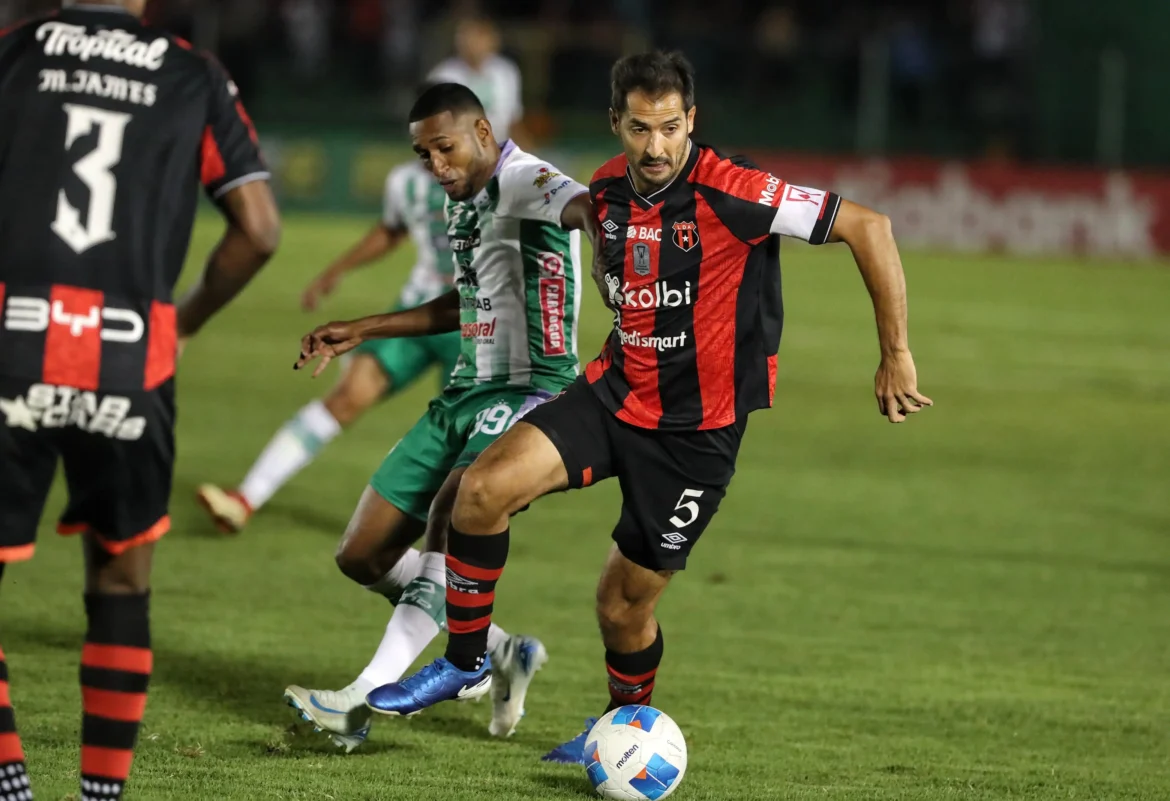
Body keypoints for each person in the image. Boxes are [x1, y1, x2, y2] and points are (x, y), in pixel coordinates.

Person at [357, 50, 934, 763]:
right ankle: (468, 658)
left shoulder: (735, 189)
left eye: (669, 127)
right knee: (478, 492)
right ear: (616, 123)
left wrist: (896, 353)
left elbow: (868, 227)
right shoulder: (605, 189)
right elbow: (585, 232)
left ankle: (623, 729)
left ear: (691, 120)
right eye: (638, 128)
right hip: (611, 393)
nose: (654, 145)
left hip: (695, 435)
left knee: (622, 605)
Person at [0, 2, 280, 799]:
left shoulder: (14, 55)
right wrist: (181, 322)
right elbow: (258, 230)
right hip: (130, 354)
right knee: (122, 581)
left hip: (12, 339)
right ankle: (102, 794)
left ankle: (10, 782)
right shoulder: (192, 72)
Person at [286, 82, 602, 750]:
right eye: (423, 153)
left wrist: (608, 247)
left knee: (452, 516)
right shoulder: (461, 201)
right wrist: (366, 327)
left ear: (484, 132)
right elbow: (465, 299)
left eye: (445, 147)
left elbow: (585, 205)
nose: (435, 165)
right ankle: (496, 647)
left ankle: (361, 699)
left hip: (530, 389)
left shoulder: (524, 179)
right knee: (362, 552)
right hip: (465, 389)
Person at [195, 158, 459, 533]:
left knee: (464, 436)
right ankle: (246, 498)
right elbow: (391, 230)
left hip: (478, 324)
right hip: (416, 314)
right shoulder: (405, 181)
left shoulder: (495, 176)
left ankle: (450, 547)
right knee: (346, 396)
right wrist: (338, 269)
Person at [427, 15, 530, 149]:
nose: (474, 45)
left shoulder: (505, 71)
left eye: (480, 39)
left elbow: (513, 119)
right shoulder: (443, 76)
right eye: (467, 39)